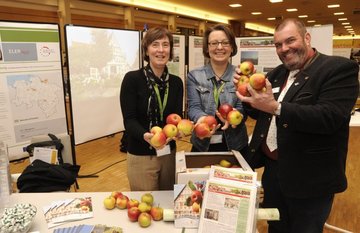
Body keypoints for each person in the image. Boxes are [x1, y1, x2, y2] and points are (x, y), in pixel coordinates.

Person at [234, 18, 359, 233]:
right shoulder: (276, 74)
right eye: (278, 45)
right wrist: (248, 96)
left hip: (310, 177)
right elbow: (262, 113)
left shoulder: (338, 69)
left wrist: (275, 107)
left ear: (306, 38)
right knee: (276, 227)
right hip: (274, 173)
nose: (284, 49)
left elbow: (329, 117)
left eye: (290, 41)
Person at [120, 27, 183, 191]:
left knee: (167, 205)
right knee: (147, 207)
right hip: (141, 155)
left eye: (165, 45)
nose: (161, 50)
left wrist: (178, 130)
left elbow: (176, 117)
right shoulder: (132, 79)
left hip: (168, 154)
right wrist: (145, 136)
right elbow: (129, 120)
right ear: (146, 50)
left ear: (171, 50)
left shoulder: (176, 83)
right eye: (155, 45)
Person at [187, 24, 248, 155]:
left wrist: (238, 116)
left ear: (232, 47)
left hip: (236, 144)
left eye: (225, 43)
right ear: (207, 48)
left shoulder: (241, 76)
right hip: (202, 143)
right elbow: (193, 107)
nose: (219, 47)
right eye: (214, 43)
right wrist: (204, 121)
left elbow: (243, 107)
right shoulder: (194, 75)